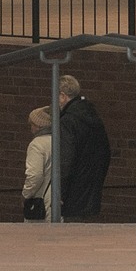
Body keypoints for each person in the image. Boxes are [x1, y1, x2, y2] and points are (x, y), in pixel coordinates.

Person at [55, 74, 111, 221]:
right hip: (91, 186)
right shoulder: (93, 116)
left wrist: (59, 192)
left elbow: (65, 159)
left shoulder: (67, 122)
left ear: (62, 96)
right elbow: (105, 152)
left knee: (71, 229)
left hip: (73, 190)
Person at [20, 107, 52, 221]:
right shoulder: (60, 141)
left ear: (39, 126)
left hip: (41, 201)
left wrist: (26, 194)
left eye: (32, 124)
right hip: (58, 199)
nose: (31, 128)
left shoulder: (37, 145)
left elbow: (35, 175)